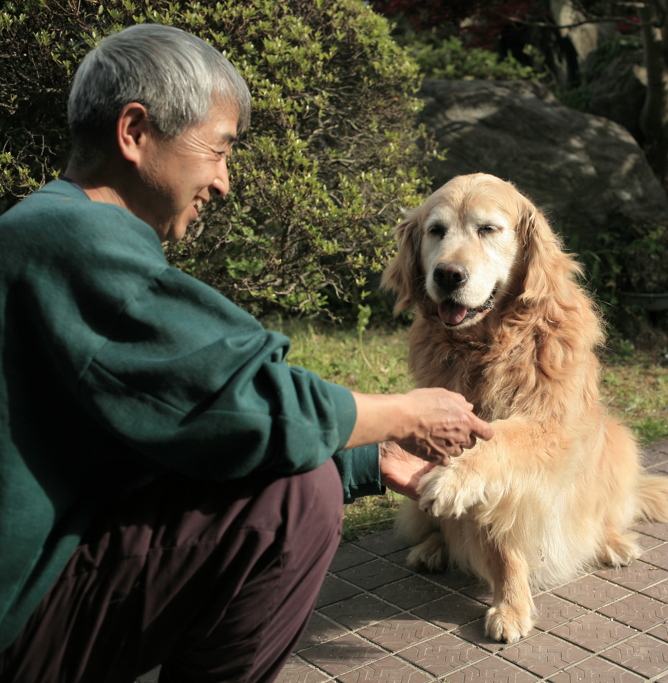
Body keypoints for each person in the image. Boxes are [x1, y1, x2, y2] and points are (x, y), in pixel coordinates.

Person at [0, 23, 492, 683]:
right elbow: (239, 399)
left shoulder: (41, 230)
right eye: (219, 150)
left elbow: (180, 427)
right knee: (299, 496)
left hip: (37, 583)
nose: (224, 182)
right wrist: (405, 414)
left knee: (307, 474)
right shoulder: (73, 239)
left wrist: (369, 458)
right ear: (135, 132)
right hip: (20, 620)